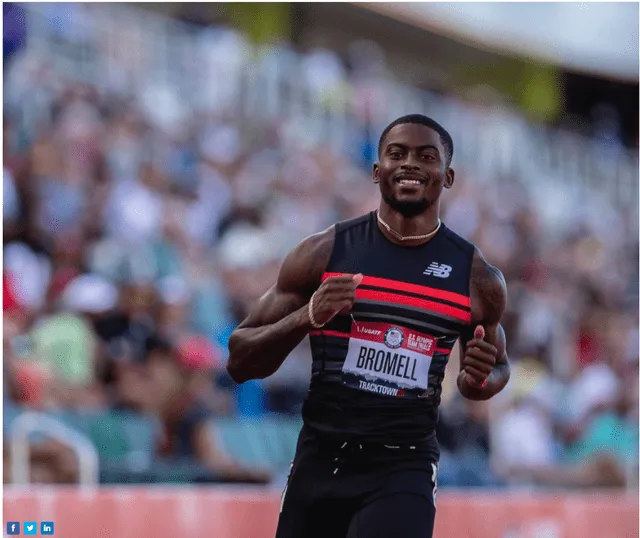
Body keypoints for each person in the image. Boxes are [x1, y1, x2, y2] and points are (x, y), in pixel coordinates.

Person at [227, 114, 511, 537]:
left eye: (426, 156)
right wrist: (307, 317)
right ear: (377, 171)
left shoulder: (477, 278)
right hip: (321, 457)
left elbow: (491, 373)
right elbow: (240, 360)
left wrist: (480, 379)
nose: (410, 164)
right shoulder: (324, 252)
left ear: (447, 176)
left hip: (404, 464)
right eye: (397, 154)